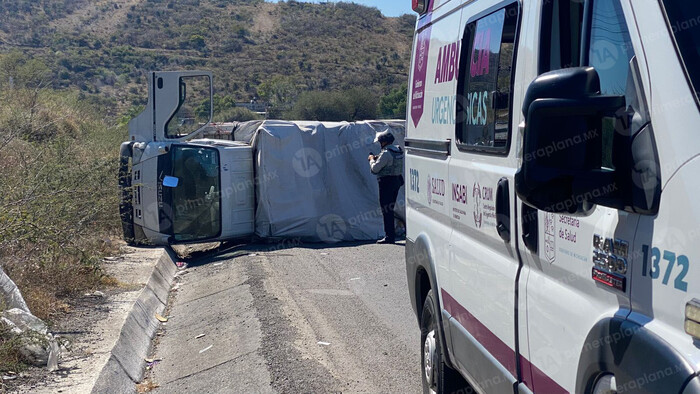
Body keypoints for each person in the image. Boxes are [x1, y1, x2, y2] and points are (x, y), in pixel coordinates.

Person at [368, 130, 404, 244]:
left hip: (386, 182)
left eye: (380, 142)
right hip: (397, 180)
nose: (380, 144)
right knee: (390, 208)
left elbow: (375, 169)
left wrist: (372, 160)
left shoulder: (386, 153)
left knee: (386, 209)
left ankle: (389, 236)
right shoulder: (398, 150)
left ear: (384, 142)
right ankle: (390, 235)